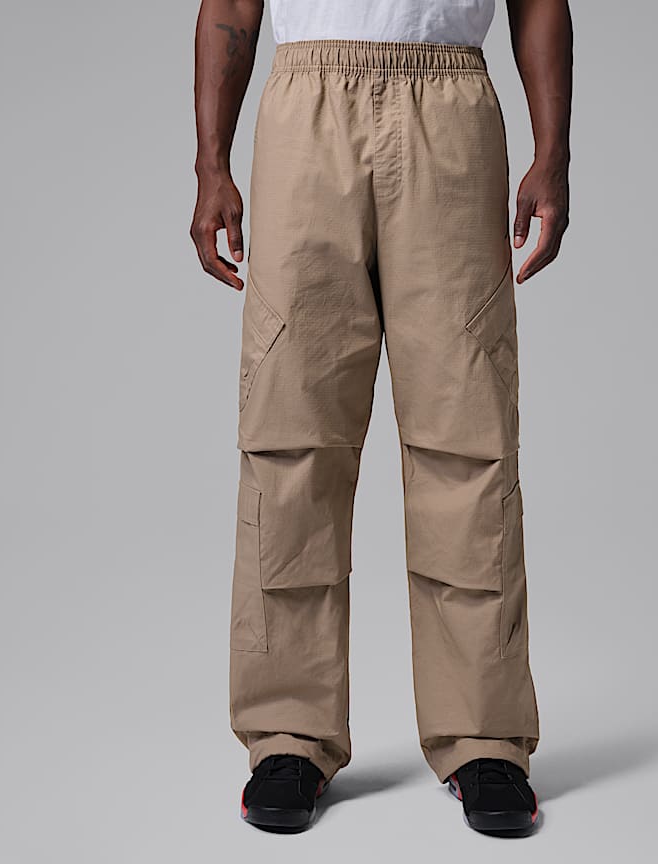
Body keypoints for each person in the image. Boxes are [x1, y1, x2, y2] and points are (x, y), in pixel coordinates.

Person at [191, 0, 572, 836]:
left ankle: (485, 737)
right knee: (292, 435)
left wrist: (553, 153)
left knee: (466, 436)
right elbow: (231, 5)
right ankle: (287, 735)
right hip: (304, 112)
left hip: (451, 107)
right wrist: (211, 163)